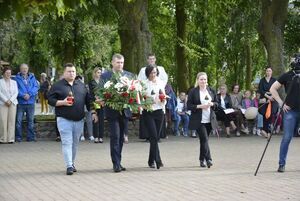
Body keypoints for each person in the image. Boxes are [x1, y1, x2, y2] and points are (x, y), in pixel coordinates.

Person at [47, 63, 97, 175]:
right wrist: (63, 102)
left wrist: (94, 111)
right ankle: (69, 165)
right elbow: (50, 100)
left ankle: (72, 162)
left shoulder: (81, 85)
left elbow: (88, 101)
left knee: (75, 143)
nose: (72, 73)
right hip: (64, 119)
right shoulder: (57, 86)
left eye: (73, 71)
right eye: (69, 71)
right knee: (66, 142)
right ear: (64, 73)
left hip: (79, 120)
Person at [101, 53, 134, 173]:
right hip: (112, 111)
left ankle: (118, 161)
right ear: (112, 63)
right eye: (118, 62)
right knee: (115, 136)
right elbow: (101, 92)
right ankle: (115, 164)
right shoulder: (105, 76)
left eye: (122, 63)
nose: (120, 65)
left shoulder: (129, 75)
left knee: (121, 138)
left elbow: (134, 92)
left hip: (124, 111)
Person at [270, 54, 300, 173]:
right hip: (290, 111)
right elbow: (272, 88)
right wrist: (281, 103)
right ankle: (281, 164)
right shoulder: (287, 75)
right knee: (287, 138)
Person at [187, 72, 218, 168]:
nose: (203, 81)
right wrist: (200, 106)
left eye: (204, 79)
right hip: (198, 120)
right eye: (201, 79)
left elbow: (217, 103)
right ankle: (208, 159)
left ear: (207, 80)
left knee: (204, 141)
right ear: (197, 80)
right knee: (204, 138)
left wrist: (212, 104)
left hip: (209, 119)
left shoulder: (211, 90)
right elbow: (189, 106)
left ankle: (201, 159)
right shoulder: (193, 91)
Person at [138, 53, 168, 141]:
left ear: (155, 59)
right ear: (147, 60)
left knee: (156, 135)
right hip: (147, 100)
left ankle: (159, 136)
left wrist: (160, 92)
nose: (151, 60)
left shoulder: (161, 69)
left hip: (158, 100)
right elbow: (139, 82)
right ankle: (147, 136)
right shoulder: (143, 70)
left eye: (153, 59)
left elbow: (164, 79)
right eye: (150, 59)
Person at [142, 65, 166, 169]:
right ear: (147, 73)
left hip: (159, 111)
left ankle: (151, 160)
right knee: (154, 135)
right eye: (151, 73)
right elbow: (141, 99)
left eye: (155, 72)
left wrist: (163, 99)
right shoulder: (143, 84)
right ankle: (158, 160)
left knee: (155, 137)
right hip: (148, 112)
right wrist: (151, 100)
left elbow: (164, 96)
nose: (153, 74)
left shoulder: (160, 82)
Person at [14, 64, 39, 142]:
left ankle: (30, 137)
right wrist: (23, 95)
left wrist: (29, 94)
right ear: (20, 70)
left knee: (30, 121)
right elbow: (15, 89)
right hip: (21, 103)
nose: (24, 70)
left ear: (28, 69)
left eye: (26, 68)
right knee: (18, 121)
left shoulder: (32, 77)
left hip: (31, 102)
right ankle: (18, 137)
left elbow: (36, 87)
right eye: (22, 68)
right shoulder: (16, 78)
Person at [0, 67, 18, 144]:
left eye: (9, 73)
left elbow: (16, 92)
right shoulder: (0, 82)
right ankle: (3, 139)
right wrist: (6, 100)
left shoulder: (14, 82)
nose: (8, 74)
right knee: (3, 121)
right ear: (4, 73)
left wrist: (10, 100)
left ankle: (11, 139)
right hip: (3, 103)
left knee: (12, 121)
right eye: (7, 73)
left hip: (12, 103)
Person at [258, 67, 278, 138]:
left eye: (269, 71)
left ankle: (269, 131)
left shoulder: (274, 80)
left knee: (270, 114)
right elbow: (260, 90)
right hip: (264, 98)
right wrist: (267, 97)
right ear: (265, 72)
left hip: (273, 98)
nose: (268, 72)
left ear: (272, 72)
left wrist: (271, 97)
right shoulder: (262, 80)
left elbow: (276, 89)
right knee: (264, 114)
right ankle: (264, 131)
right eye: (267, 71)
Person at [88, 67, 105, 143]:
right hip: (94, 103)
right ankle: (95, 137)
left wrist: (102, 99)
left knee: (101, 120)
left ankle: (101, 137)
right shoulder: (91, 82)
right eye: (98, 72)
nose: (99, 74)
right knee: (95, 119)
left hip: (102, 103)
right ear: (94, 73)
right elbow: (90, 94)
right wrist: (95, 100)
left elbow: (105, 92)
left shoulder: (103, 81)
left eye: (100, 73)